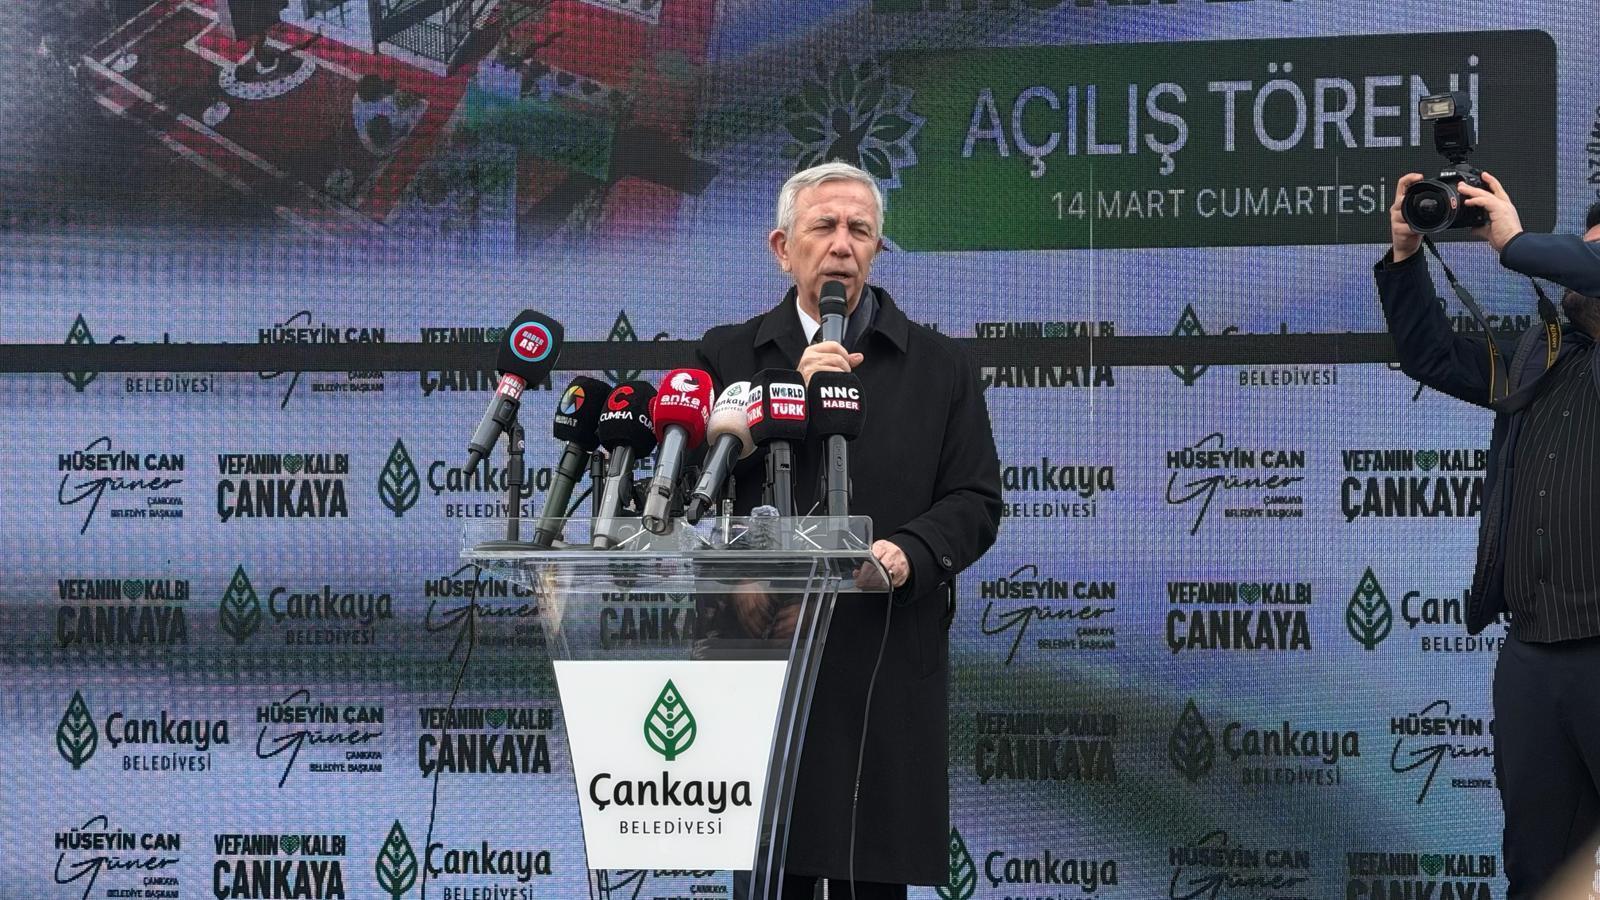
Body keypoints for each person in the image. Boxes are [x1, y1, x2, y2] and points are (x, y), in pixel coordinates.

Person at [695, 161, 1003, 897]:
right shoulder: (727, 356)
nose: (842, 244)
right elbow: (692, 493)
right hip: (765, 658)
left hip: (882, 655)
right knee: (773, 877)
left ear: (876, 249)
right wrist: (789, 397)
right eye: (824, 226)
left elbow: (975, 498)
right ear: (782, 248)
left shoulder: (939, 366)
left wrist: (909, 554)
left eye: (860, 230)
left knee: (873, 876)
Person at [1378, 172, 1600, 899]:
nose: (1582, 269)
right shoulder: (1542, 353)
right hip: (1534, 655)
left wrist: (1516, 242)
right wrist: (1407, 254)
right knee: (1539, 869)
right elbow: (1432, 356)